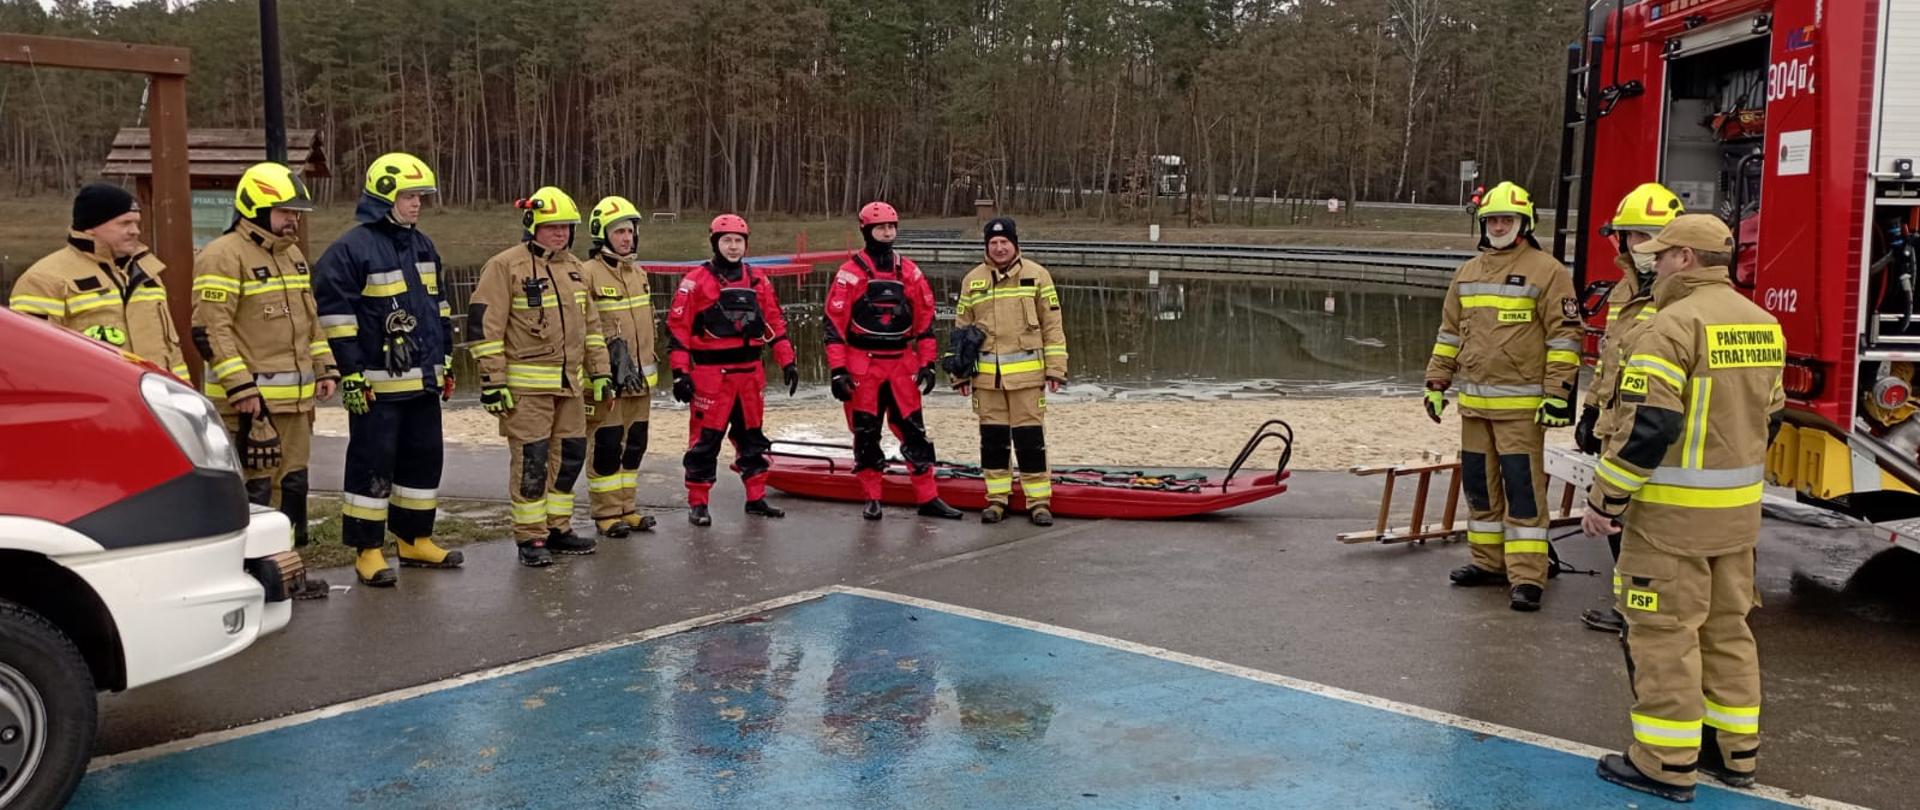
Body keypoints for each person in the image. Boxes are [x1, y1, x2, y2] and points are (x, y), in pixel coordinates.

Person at [1582, 214, 1783, 802]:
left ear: (1686, 260)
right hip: (1736, 518)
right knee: (1727, 630)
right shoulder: (1762, 323)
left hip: (1670, 521)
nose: (1656, 263)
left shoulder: (1671, 327)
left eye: (1664, 256)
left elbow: (1650, 429)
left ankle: (1665, 762)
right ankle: (1734, 751)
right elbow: (1770, 416)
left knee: (1664, 635)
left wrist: (1605, 500)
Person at [1424, 180, 1580, 612]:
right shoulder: (1467, 273)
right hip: (1473, 408)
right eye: (1491, 219)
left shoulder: (1548, 271)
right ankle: (1488, 563)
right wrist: (1436, 382)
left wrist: (1557, 394)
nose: (1497, 226)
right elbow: (1449, 334)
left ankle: (1528, 576)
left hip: (1521, 412)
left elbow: (1565, 338)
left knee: (1523, 493)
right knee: (1480, 490)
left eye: (1505, 220)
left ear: (1524, 223)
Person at [313, 152, 463, 587]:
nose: (417, 204)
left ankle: (414, 539)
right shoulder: (350, 250)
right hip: (376, 387)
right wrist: (351, 374)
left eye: (420, 196)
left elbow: (440, 309)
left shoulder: (423, 245)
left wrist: (446, 361)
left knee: (423, 461)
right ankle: (368, 549)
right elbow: (336, 318)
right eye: (409, 196)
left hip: (424, 381)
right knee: (371, 465)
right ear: (383, 197)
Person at [191, 162, 336, 599]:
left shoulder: (291, 254)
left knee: (292, 486)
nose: (293, 219)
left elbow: (310, 322)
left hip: (293, 404)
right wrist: (240, 387)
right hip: (249, 407)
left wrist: (325, 368)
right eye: (284, 211)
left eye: (296, 211)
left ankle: (287, 571)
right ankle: (248, 576)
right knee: (255, 492)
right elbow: (210, 329)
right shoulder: (223, 254)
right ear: (254, 208)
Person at [468, 186, 612, 567]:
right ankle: (530, 538)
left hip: (570, 387)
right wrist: (493, 381)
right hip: (526, 390)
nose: (560, 234)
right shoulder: (505, 267)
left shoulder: (576, 270)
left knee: (569, 458)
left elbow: (592, 328)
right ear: (532, 225)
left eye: (565, 227)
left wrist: (600, 373)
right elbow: (485, 329)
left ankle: (558, 528)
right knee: (532, 463)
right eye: (551, 227)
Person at [1575, 182, 1685, 634]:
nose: (1641, 246)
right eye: (1634, 236)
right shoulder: (1624, 291)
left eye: (1650, 236)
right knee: (1620, 524)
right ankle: (1628, 610)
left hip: (1653, 431)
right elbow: (1610, 363)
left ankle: (1643, 614)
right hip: (1616, 428)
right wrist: (1590, 412)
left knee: (1651, 531)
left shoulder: (1679, 297)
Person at [825, 201, 964, 521]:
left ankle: (928, 497)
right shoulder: (850, 273)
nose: (887, 233)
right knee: (866, 432)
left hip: (902, 364)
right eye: (880, 227)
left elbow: (925, 321)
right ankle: (872, 497)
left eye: (891, 227)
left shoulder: (910, 271)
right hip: (863, 364)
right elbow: (834, 325)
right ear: (866, 230)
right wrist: (837, 370)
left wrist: (928, 364)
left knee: (914, 431)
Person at [666, 214, 798, 526]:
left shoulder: (757, 279)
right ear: (715, 242)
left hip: (750, 374)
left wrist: (788, 360)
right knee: (704, 443)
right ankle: (698, 504)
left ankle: (756, 498)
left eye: (739, 241)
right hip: (712, 376)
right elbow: (678, 330)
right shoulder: (695, 280)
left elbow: (775, 322)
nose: (733, 247)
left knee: (752, 439)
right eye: (727, 241)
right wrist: (680, 373)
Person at [951, 217, 1067, 526]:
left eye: (1005, 242)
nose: (999, 248)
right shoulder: (972, 280)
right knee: (993, 441)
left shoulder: (1037, 276)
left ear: (1015, 244)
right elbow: (961, 331)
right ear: (986, 246)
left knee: (1030, 441)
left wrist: (1056, 370)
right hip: (986, 380)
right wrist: (959, 374)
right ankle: (997, 499)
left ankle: (1038, 502)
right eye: (993, 243)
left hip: (1027, 378)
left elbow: (1053, 327)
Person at [9, 183, 188, 382]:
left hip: (157, 402)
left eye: (137, 223)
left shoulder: (147, 274)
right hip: (95, 405)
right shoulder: (44, 279)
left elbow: (172, 354)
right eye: (124, 223)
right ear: (92, 227)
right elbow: (33, 359)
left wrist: (184, 394)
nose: (135, 231)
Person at [582, 196, 660, 538]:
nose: (627, 238)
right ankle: (606, 514)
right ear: (602, 234)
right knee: (607, 446)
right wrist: (598, 373)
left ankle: (628, 507)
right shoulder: (587, 274)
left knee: (635, 444)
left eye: (630, 231)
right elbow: (585, 329)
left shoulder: (638, 272)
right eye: (619, 232)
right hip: (607, 382)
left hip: (640, 380)